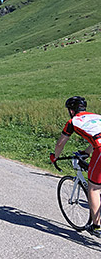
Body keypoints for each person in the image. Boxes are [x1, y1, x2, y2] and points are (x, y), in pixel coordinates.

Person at [50, 96, 101, 237]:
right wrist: (86, 152)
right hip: (98, 146)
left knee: (94, 188)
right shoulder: (96, 116)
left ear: (71, 111)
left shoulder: (73, 122)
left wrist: (55, 157)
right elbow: (96, 137)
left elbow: (60, 144)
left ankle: (97, 226)